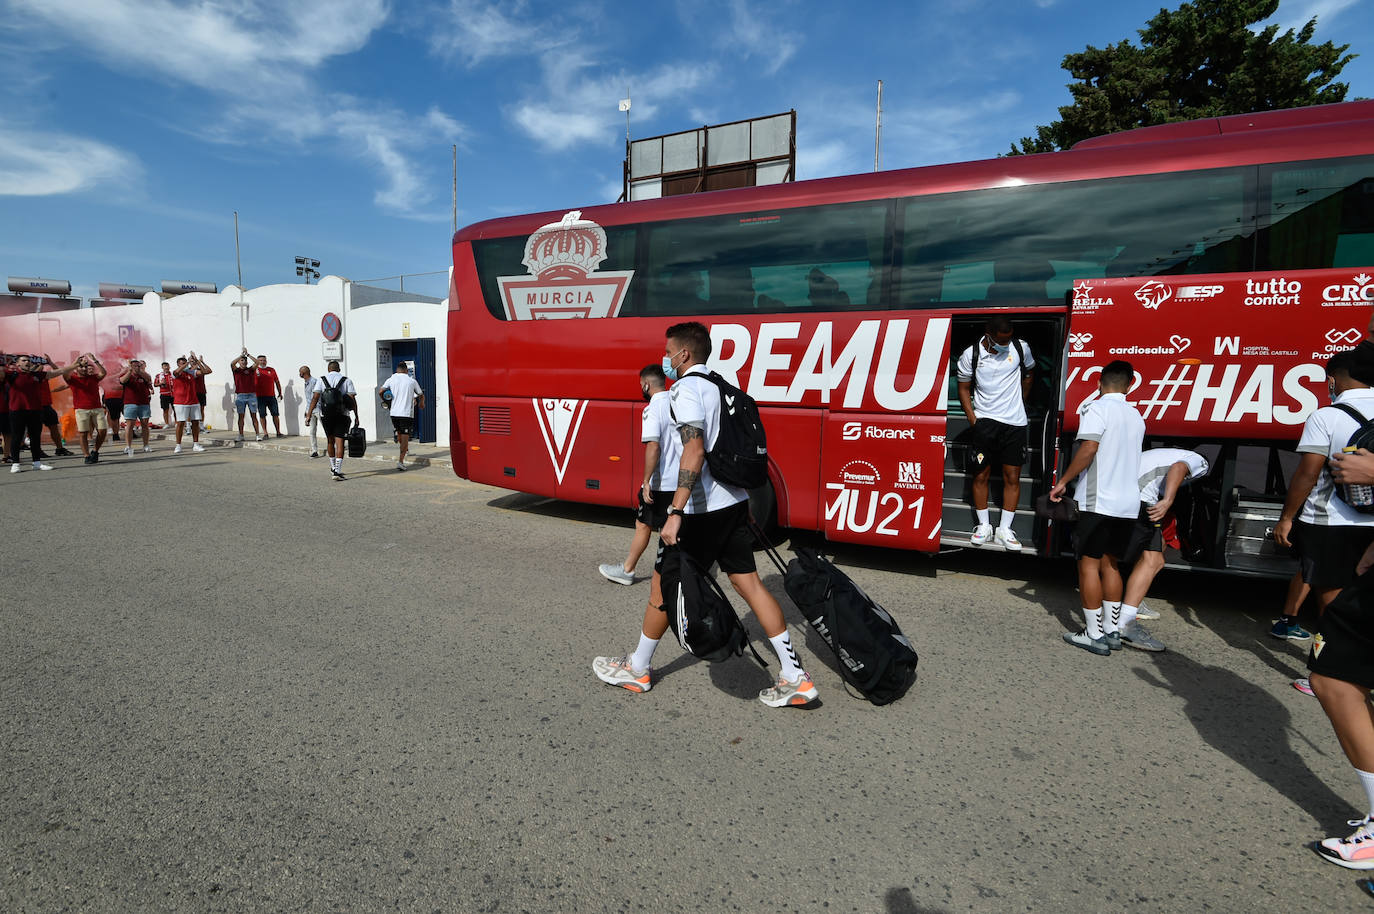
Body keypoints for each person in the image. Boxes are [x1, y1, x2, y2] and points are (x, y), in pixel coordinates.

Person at [593, 321, 820, 708]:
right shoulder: (720, 386)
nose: (666, 359)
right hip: (733, 503)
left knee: (661, 587)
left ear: (684, 354)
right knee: (750, 584)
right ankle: (794, 675)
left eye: (669, 352)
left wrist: (676, 510)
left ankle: (638, 668)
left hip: (700, 511)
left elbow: (694, 450)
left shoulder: (685, 389)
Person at [1274, 349, 1374, 695]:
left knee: (1332, 602)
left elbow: (1308, 473)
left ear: (1332, 380)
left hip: (1330, 522)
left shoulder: (1327, 416)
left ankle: (1333, 677)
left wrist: (1287, 517)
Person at [1051, 360, 1145, 655]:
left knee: (1088, 564)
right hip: (1128, 503)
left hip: (1097, 500)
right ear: (1129, 385)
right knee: (1111, 564)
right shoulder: (1136, 415)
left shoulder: (1096, 408)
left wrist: (1063, 481)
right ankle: (1112, 631)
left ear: (1099, 383)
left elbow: (1089, 448)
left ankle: (1093, 634)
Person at [1114, 447, 1211, 652]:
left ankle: (1130, 606)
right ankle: (1125, 623)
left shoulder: (1166, 454)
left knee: (1154, 556)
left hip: (1123, 492)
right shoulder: (1199, 461)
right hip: (1139, 497)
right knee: (1150, 561)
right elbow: (1179, 468)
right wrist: (1168, 501)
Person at [956, 317, 1034, 550]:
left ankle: (1004, 530)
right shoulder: (970, 355)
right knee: (980, 476)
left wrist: (1021, 401)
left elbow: (1030, 373)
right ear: (988, 335)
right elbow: (963, 388)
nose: (1006, 344)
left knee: (1012, 477)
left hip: (1015, 424)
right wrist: (973, 420)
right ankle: (984, 526)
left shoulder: (1021, 347)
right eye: (1001, 341)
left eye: (1009, 339)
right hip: (985, 423)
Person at [599, 365, 675, 586]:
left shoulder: (653, 409)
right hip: (680, 481)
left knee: (643, 524)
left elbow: (653, 445)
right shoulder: (677, 402)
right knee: (673, 526)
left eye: (641, 385)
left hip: (662, 482)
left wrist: (646, 481)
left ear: (646, 385)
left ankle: (627, 570)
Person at [5, 353, 79, 471]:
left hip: (35, 410)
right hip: (17, 411)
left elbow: (58, 371)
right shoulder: (12, 375)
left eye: (28, 360)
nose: (27, 362)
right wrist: (4, 364)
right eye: (23, 360)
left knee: (35, 437)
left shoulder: (37, 375)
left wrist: (75, 365)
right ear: (17, 364)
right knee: (17, 437)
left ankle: (37, 463)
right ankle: (15, 464)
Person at [307, 359, 358, 480]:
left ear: (328, 369)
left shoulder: (321, 380)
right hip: (342, 415)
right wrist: (356, 416)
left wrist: (309, 414)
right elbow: (352, 400)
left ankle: (333, 467)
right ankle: (337, 471)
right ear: (339, 369)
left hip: (326, 416)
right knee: (340, 442)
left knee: (330, 441)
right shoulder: (347, 380)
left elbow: (315, 398)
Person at [378, 361, 424, 471]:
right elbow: (421, 394)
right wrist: (422, 403)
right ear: (406, 370)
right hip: (406, 414)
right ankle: (401, 461)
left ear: (397, 370)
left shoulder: (391, 379)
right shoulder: (411, 381)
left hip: (394, 413)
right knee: (405, 437)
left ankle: (404, 449)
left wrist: (387, 401)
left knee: (399, 433)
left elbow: (380, 391)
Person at [67, 353, 109, 464]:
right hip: (81, 409)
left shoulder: (93, 377)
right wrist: (75, 362)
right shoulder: (73, 378)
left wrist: (95, 360)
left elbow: (103, 373)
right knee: (83, 433)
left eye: (85, 367)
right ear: (76, 368)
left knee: (103, 431)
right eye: (81, 367)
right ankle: (86, 455)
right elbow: (65, 374)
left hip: (97, 408)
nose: (84, 369)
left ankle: (95, 451)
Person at [171, 352, 211, 453]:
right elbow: (177, 372)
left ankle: (196, 444)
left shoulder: (191, 373)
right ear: (178, 364)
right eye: (181, 363)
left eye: (184, 363)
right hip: (180, 403)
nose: (184, 365)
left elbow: (207, 371)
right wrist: (187, 362)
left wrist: (198, 362)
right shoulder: (175, 373)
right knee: (180, 423)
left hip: (194, 401)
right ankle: (178, 445)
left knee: (195, 422)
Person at [119, 359, 154, 454]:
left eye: (138, 366)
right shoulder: (127, 374)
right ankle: (128, 446)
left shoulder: (143, 375)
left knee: (145, 425)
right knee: (130, 425)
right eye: (135, 366)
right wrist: (130, 371)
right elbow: (122, 380)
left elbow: (149, 378)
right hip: (130, 403)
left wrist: (140, 371)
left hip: (144, 403)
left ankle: (146, 445)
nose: (137, 367)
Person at [229, 349, 263, 441]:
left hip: (251, 396)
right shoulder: (236, 371)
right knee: (241, 416)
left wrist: (248, 355)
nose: (244, 362)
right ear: (239, 362)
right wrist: (240, 356)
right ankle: (241, 435)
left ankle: (257, 435)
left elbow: (257, 362)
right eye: (242, 360)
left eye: (245, 361)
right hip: (241, 396)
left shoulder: (250, 370)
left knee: (254, 416)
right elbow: (232, 363)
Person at [255, 354, 284, 438]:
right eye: (260, 360)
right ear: (257, 361)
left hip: (271, 396)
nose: (262, 362)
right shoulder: (255, 370)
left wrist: (280, 393)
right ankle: (265, 433)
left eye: (264, 360)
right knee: (262, 415)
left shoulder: (271, 370)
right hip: (260, 397)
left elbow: (277, 382)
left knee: (275, 414)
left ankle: (278, 432)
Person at [300, 365, 322, 458]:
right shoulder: (306, 382)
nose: (299, 374)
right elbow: (309, 399)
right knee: (312, 431)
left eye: (300, 372)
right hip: (311, 410)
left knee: (327, 429)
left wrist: (309, 412)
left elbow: (315, 398)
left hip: (318, 409)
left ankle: (334, 446)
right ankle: (314, 450)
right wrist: (307, 411)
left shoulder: (314, 382)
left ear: (304, 373)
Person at [101, 362, 125, 442]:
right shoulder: (107, 375)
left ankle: (130, 431)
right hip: (111, 398)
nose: (116, 369)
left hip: (123, 397)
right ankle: (115, 434)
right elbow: (106, 383)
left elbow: (125, 385)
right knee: (114, 417)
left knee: (126, 416)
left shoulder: (123, 375)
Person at [154, 361, 175, 428]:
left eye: (167, 366)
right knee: (165, 410)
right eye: (164, 366)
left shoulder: (173, 374)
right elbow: (155, 384)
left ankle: (177, 423)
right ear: (162, 367)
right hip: (164, 394)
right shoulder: (159, 375)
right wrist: (161, 383)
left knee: (175, 409)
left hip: (173, 394)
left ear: (169, 367)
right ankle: (167, 423)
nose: (166, 367)